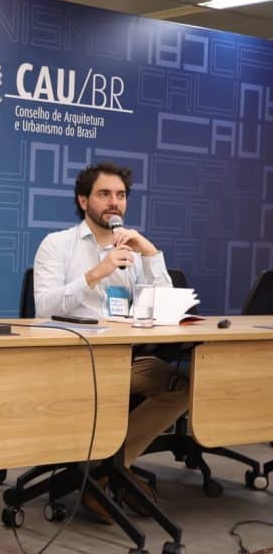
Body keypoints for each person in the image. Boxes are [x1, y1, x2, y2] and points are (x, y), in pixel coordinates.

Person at [33, 161, 188, 520]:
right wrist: (98, 272)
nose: (113, 202)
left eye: (120, 195)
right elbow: (43, 306)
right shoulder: (57, 245)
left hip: (127, 359)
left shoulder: (131, 249)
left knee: (184, 386)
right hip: (71, 359)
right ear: (83, 200)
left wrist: (149, 253)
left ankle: (107, 468)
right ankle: (110, 473)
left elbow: (165, 307)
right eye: (104, 194)